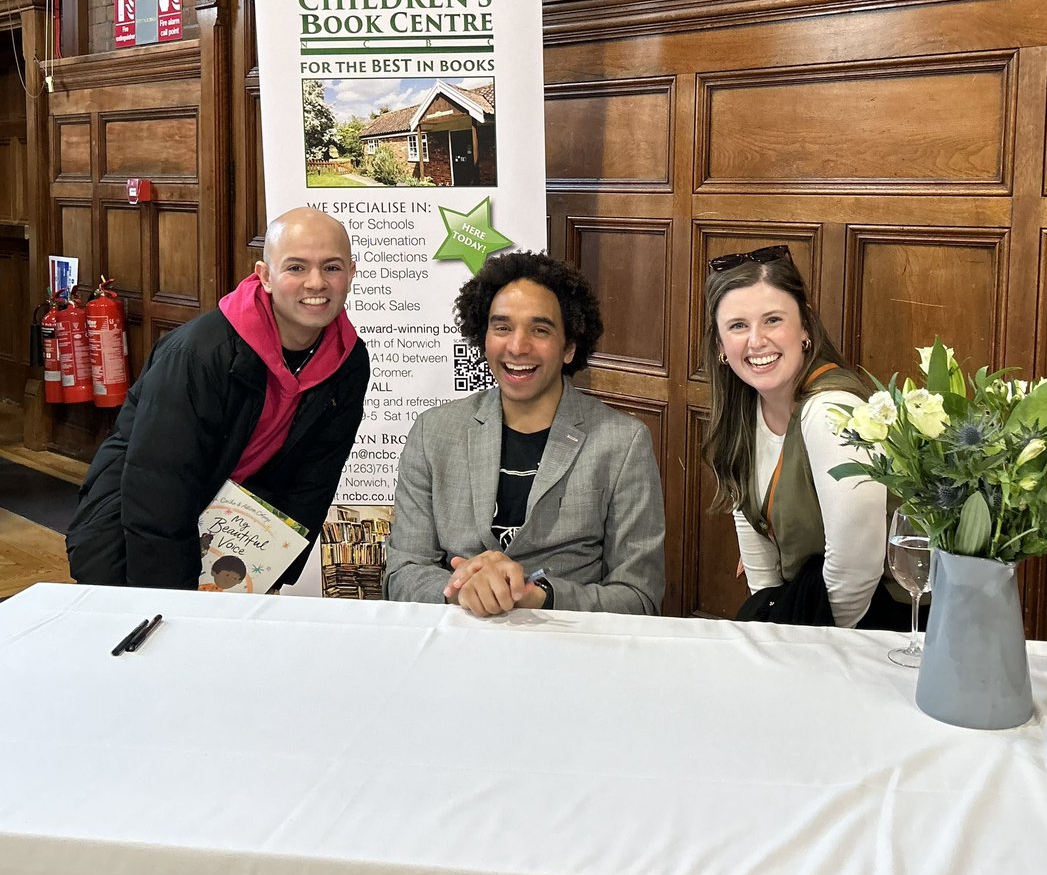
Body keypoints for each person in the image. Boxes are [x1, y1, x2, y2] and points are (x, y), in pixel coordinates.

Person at [67, 206, 369, 590]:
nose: (316, 283)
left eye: (332, 267)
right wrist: (170, 601)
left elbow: (314, 481)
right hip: (132, 532)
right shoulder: (199, 354)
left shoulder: (348, 360)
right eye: (296, 267)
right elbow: (158, 486)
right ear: (266, 277)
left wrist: (271, 570)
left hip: (236, 530)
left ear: (351, 273)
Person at [384, 250, 665, 617]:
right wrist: (460, 589)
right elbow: (401, 574)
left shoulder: (623, 442)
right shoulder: (433, 431)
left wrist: (539, 595)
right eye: (502, 327)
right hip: (457, 644)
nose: (517, 346)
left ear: (569, 347)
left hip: (567, 647)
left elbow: (640, 597)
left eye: (540, 329)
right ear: (483, 337)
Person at [702, 244, 889, 627]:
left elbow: (856, 569)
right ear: (721, 345)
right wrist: (770, 612)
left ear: (804, 328)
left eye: (772, 320)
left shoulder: (832, 412)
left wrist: (808, 645)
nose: (756, 341)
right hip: (803, 616)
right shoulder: (743, 409)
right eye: (738, 326)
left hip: (869, 625)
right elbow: (749, 518)